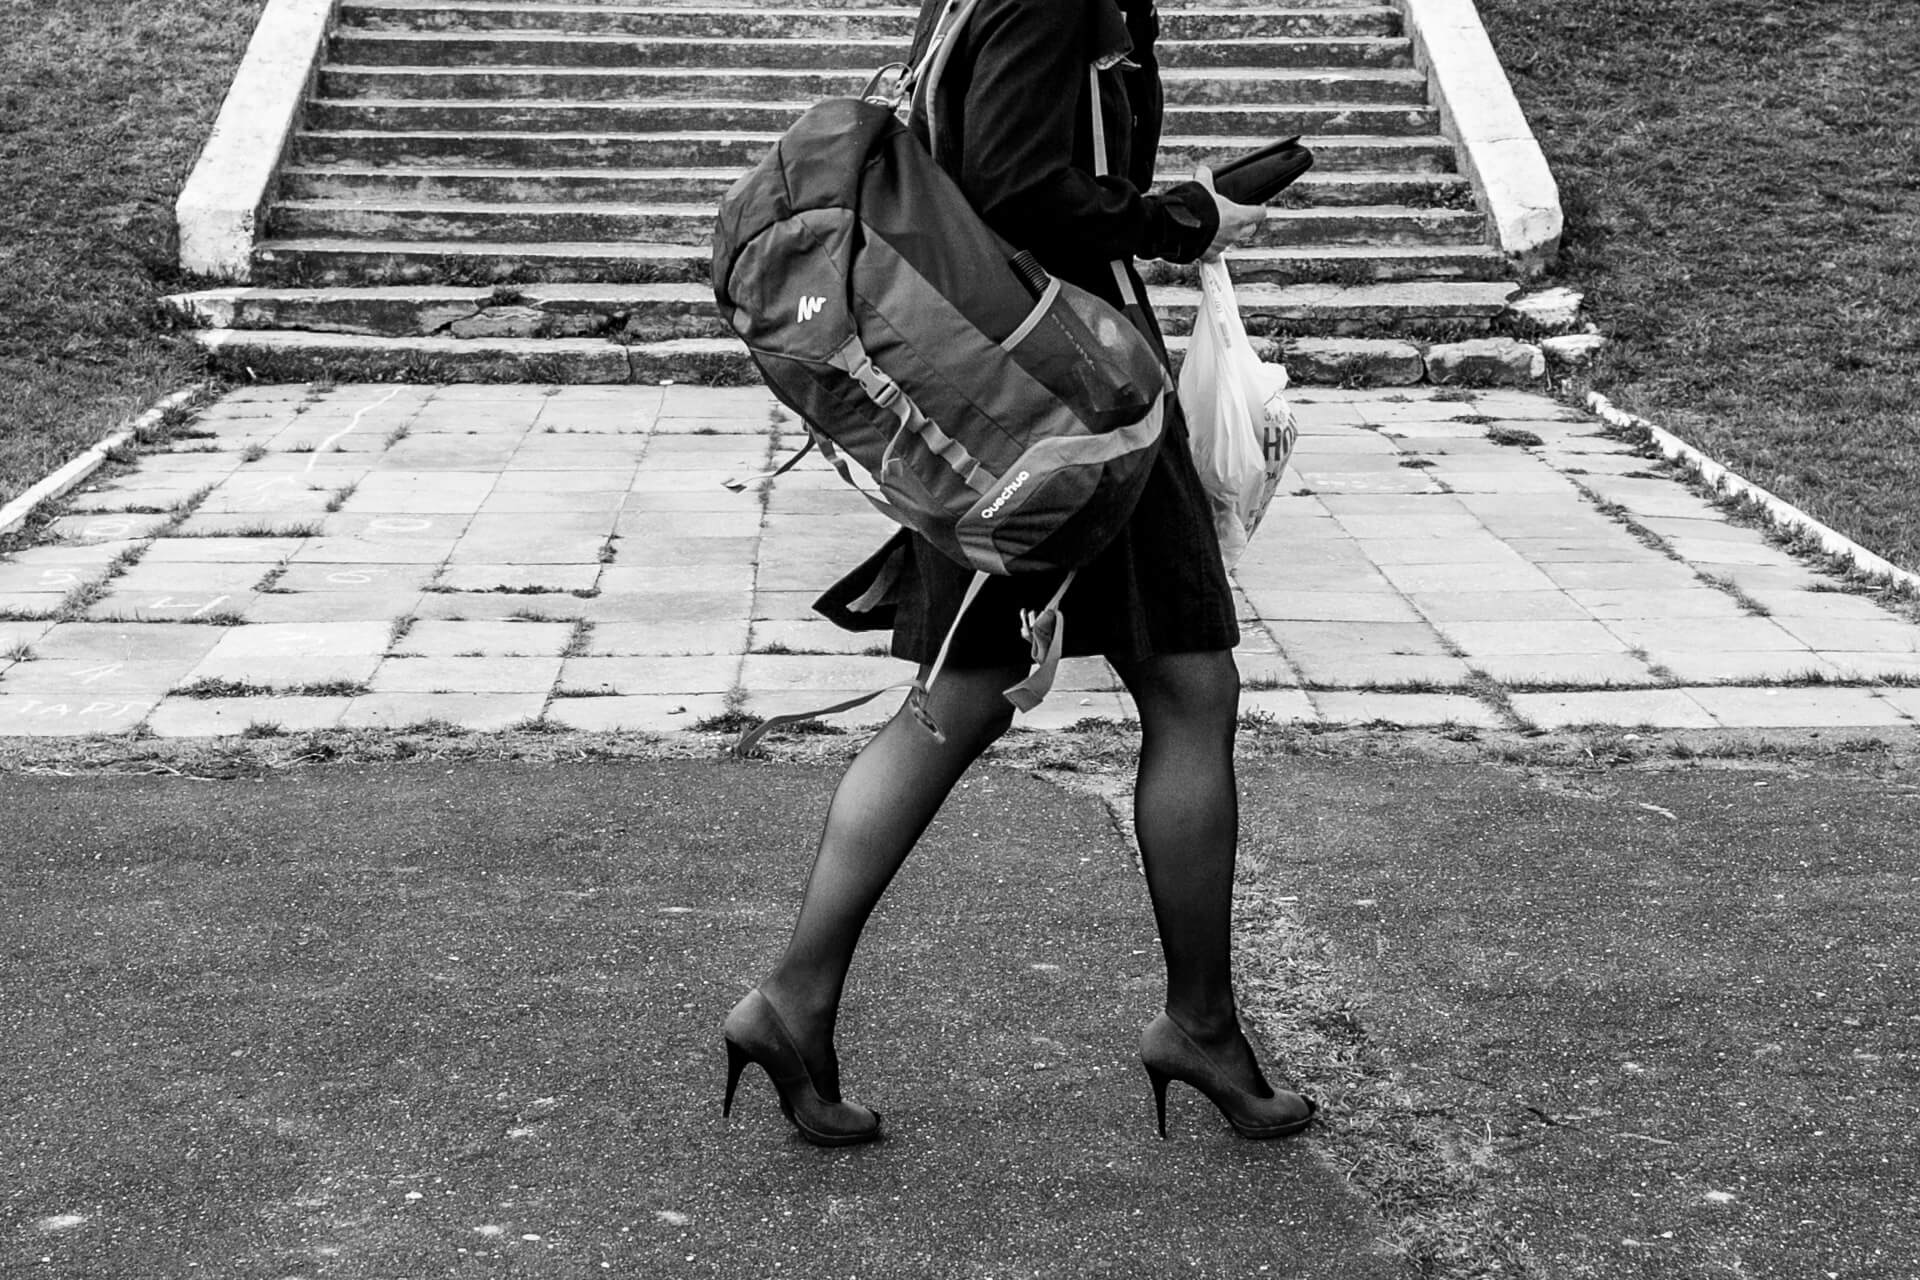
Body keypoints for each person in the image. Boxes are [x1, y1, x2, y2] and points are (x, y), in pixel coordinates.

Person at [720, 0, 1314, 1147]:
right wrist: (1174, 216)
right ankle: (1197, 1025)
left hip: (999, 393)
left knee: (960, 699)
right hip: (1059, 403)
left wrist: (1172, 199)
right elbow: (1012, 184)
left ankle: (794, 1002)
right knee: (1187, 693)